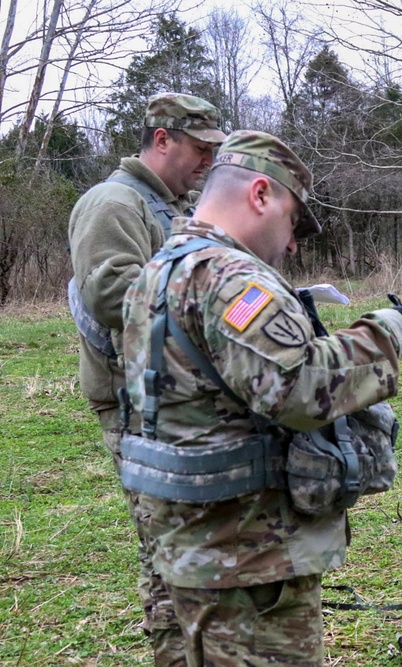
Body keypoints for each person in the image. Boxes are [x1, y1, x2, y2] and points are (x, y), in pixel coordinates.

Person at [120, 129, 402, 666]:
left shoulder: (159, 270)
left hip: (184, 540)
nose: (292, 245)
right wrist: (389, 331)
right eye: (292, 222)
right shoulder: (232, 277)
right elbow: (300, 387)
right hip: (244, 558)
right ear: (260, 194)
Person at [67, 92, 226, 665]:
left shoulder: (164, 207)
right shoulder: (114, 202)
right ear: (162, 140)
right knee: (168, 558)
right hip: (139, 409)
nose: (208, 161)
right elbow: (112, 294)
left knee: (195, 549)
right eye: (200, 148)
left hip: (170, 405)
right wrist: (212, 297)